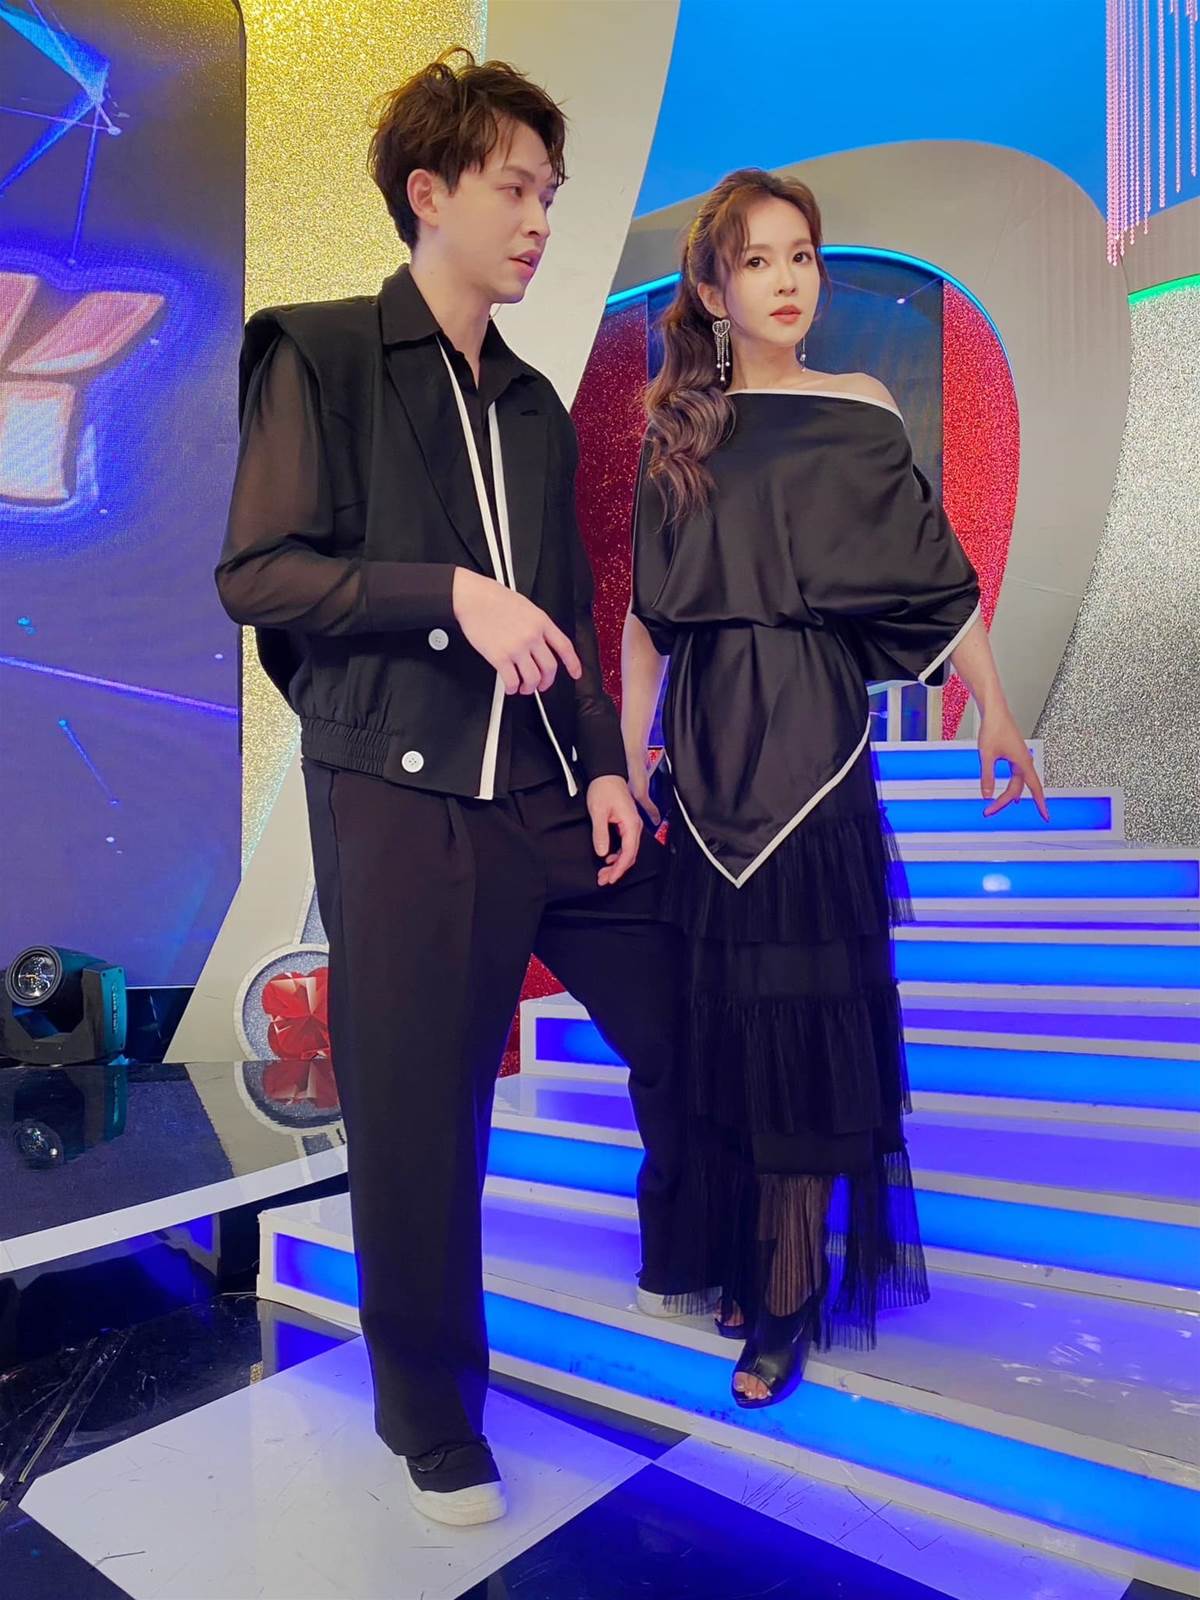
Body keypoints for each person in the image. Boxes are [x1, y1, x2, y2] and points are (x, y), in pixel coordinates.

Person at [215, 48, 705, 1525]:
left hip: (547, 793)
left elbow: (566, 601)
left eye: (552, 192)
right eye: (516, 188)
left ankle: (690, 1249)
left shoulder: (536, 405)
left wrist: (605, 767)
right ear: (428, 193)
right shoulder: (317, 353)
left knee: (695, 996)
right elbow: (260, 573)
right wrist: (446, 595)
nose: (541, 218)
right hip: (403, 796)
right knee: (424, 1120)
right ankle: (431, 1416)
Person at [621, 168, 1048, 1409]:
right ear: (713, 290)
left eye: (801, 255)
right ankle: (743, 1252)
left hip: (811, 759)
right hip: (704, 766)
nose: (787, 279)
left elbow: (935, 576)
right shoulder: (679, 432)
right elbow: (648, 621)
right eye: (757, 260)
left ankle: (790, 1289)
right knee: (723, 1031)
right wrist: (632, 758)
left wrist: (996, 708)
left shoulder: (862, 408)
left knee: (806, 1027)